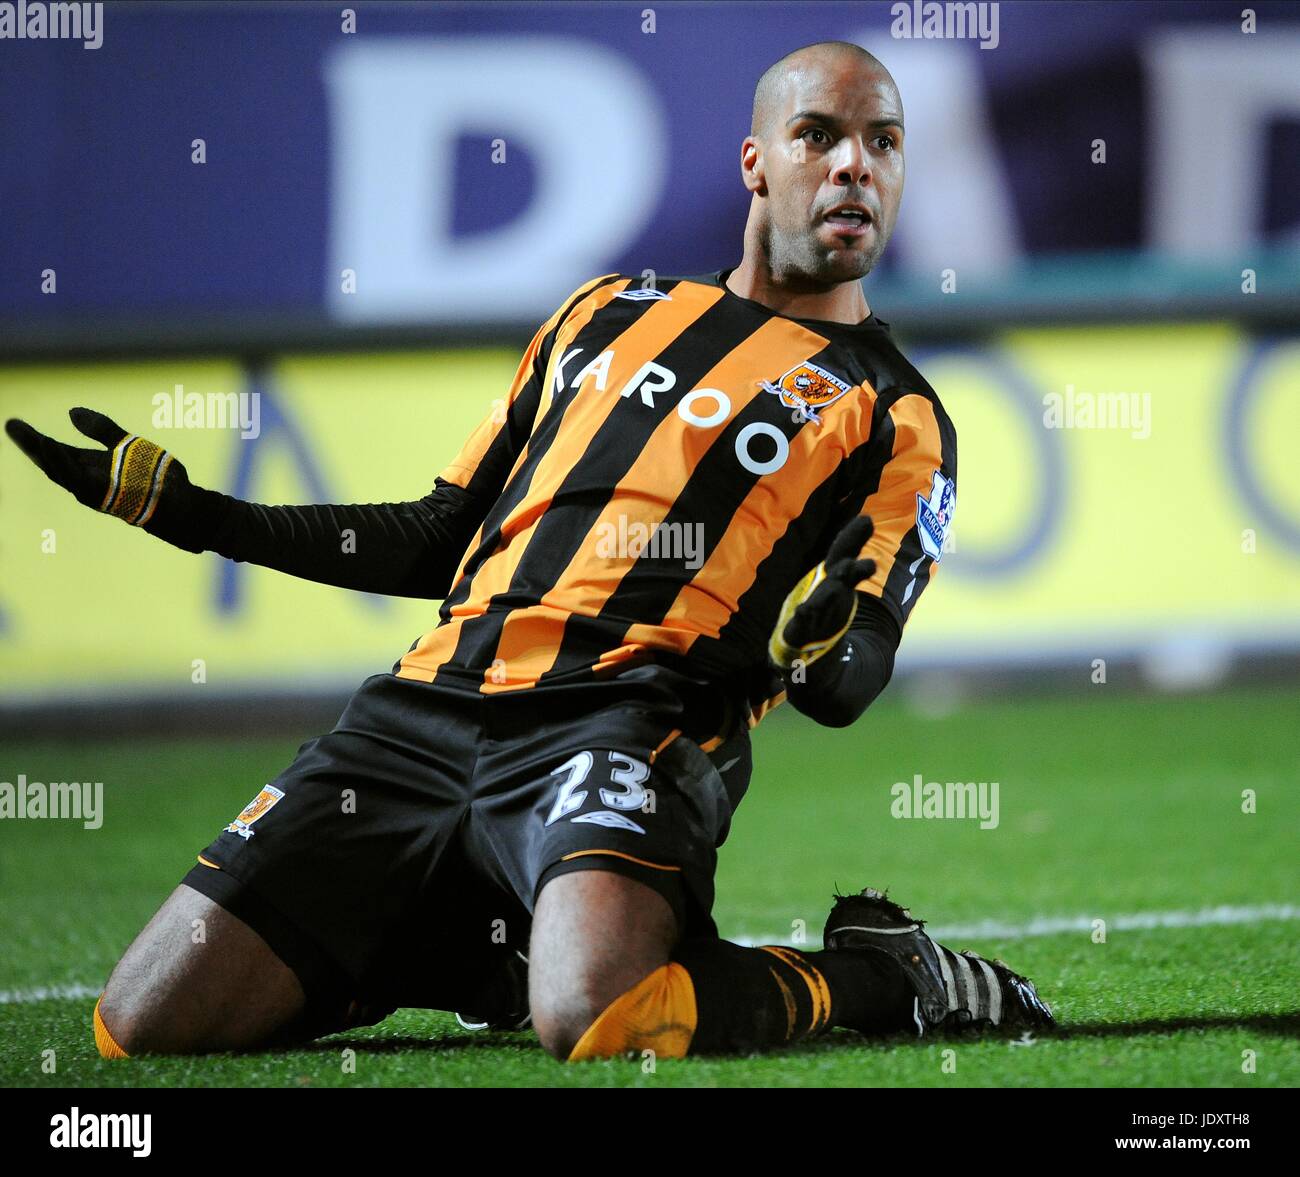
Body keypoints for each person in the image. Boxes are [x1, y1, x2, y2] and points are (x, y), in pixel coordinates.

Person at [5, 41, 1052, 1062]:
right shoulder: (600, 314)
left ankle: (881, 975)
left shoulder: (894, 413)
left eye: (884, 143)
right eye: (818, 135)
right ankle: (472, 945)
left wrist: (818, 644)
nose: (852, 165)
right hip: (422, 712)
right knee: (139, 1026)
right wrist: (192, 514)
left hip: (620, 723)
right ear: (755, 162)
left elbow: (852, 674)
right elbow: (435, 539)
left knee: (601, 1016)